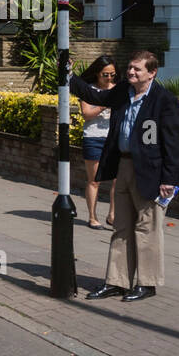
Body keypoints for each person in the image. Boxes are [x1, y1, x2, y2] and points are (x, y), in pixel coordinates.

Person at [69, 51, 179, 302]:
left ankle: (147, 283)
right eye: (130, 68)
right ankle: (117, 282)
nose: (131, 72)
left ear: (152, 73)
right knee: (121, 227)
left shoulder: (164, 100)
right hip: (124, 165)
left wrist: (169, 180)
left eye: (137, 70)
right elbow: (94, 95)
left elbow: (174, 144)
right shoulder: (123, 91)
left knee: (147, 228)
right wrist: (69, 75)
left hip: (151, 173)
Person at [77, 56, 118, 228]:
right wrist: (103, 105)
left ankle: (113, 215)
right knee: (94, 180)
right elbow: (86, 114)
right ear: (97, 74)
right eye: (105, 75)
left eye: (112, 75)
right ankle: (93, 217)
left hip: (115, 138)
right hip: (94, 137)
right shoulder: (88, 90)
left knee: (117, 180)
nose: (109, 78)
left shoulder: (119, 89)